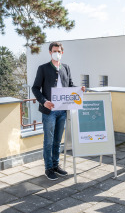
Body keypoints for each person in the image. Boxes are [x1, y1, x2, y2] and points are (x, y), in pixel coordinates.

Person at [32, 42, 85, 181]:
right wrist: (44, 101)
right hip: (49, 111)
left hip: (62, 111)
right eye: (55, 51)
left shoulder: (66, 67)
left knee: (57, 140)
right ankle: (48, 168)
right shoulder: (43, 68)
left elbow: (70, 85)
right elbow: (35, 88)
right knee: (48, 141)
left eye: (59, 51)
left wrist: (79, 89)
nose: (57, 53)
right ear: (50, 52)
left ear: (62, 52)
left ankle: (56, 165)